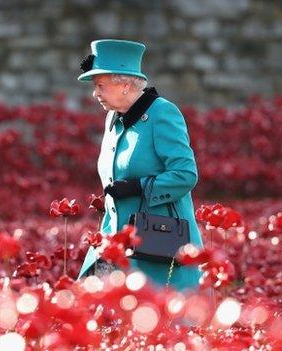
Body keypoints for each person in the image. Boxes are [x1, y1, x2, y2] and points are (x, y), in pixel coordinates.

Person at [75, 39, 203, 291]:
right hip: (114, 245)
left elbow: (186, 175)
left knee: (155, 323)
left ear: (124, 84)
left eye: (100, 85)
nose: (95, 93)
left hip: (157, 247)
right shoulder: (113, 118)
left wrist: (140, 187)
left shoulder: (163, 113)